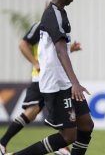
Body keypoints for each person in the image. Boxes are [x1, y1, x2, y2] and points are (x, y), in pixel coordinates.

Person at [8, 0, 94, 154]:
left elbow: (57, 50)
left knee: (86, 124)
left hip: (65, 82)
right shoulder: (53, 14)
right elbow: (60, 50)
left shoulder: (59, 13)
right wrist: (76, 83)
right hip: (57, 85)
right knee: (68, 136)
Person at [0, 21, 81, 155]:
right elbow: (23, 44)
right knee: (33, 111)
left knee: (60, 111)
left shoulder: (57, 26)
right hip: (43, 78)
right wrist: (35, 63)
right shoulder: (42, 25)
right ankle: (2, 143)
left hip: (55, 79)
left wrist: (70, 49)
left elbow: (53, 52)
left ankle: (63, 146)